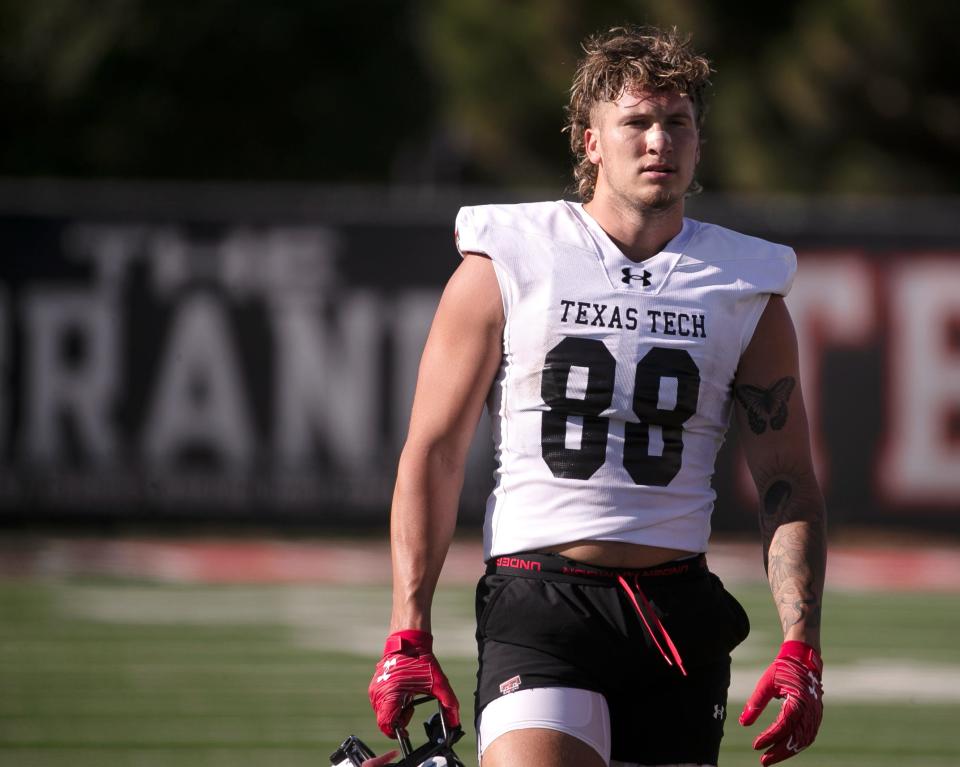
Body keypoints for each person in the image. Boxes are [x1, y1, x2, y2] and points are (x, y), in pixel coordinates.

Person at [368, 24, 826, 767]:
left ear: (698, 144)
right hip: (542, 596)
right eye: (637, 123)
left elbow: (787, 482)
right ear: (590, 142)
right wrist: (406, 626)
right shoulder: (509, 256)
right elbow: (436, 449)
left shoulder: (746, 286)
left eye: (677, 123)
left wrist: (801, 642)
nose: (659, 141)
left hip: (677, 609)